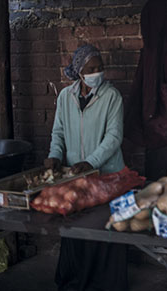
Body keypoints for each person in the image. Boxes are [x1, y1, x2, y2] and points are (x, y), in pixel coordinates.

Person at [44, 44, 127, 291]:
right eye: (91, 69)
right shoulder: (65, 97)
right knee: (75, 229)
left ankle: (106, 285)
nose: (97, 73)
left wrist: (91, 162)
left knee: (104, 230)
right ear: (79, 72)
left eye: (100, 68)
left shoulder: (112, 96)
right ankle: (75, 281)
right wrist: (55, 156)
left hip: (107, 174)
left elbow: (114, 137)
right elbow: (58, 133)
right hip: (74, 175)